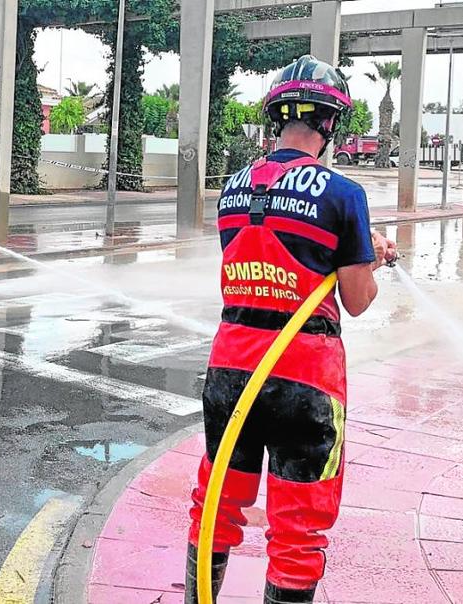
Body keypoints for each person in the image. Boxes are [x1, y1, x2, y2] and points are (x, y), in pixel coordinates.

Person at [185, 55, 397, 604]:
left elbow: (267, 253)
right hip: (305, 376)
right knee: (299, 526)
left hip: (230, 367)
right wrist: (370, 260)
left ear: (276, 117)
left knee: (215, 505)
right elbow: (355, 300)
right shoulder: (343, 194)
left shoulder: (233, 187)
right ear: (331, 124)